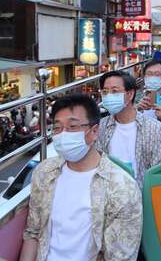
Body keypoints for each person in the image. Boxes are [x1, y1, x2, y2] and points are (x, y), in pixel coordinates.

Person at [20, 94, 142, 261]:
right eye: (57, 127)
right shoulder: (44, 173)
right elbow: (33, 233)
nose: (62, 135)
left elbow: (119, 257)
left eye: (72, 126)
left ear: (94, 132)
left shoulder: (122, 188)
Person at [96, 70, 161, 188]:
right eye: (105, 92)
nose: (109, 95)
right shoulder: (101, 127)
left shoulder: (154, 129)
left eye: (114, 91)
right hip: (108, 194)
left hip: (142, 194)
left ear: (130, 94)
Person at [137, 60, 161, 127]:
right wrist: (136, 110)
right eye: (149, 74)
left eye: (157, 74)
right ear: (144, 78)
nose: (153, 77)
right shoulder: (135, 97)